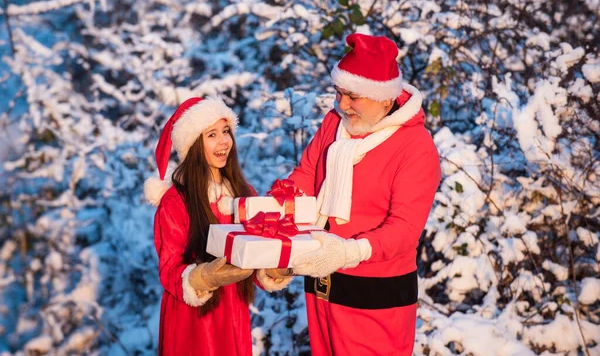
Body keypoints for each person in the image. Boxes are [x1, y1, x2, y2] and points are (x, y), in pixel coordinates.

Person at [289, 33, 442, 355]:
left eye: (353, 96)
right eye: (339, 93)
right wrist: (273, 218)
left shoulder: (415, 147)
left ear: (385, 98)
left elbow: (404, 230)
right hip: (321, 283)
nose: (342, 104)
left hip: (376, 295)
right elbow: (305, 175)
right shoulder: (334, 121)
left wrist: (347, 252)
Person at [144, 97, 292, 356]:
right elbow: (169, 268)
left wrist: (274, 267)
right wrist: (202, 277)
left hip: (234, 311)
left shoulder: (244, 194)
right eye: (211, 134)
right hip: (193, 317)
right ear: (192, 145)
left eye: (226, 131)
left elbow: (253, 253)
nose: (224, 141)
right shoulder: (176, 201)